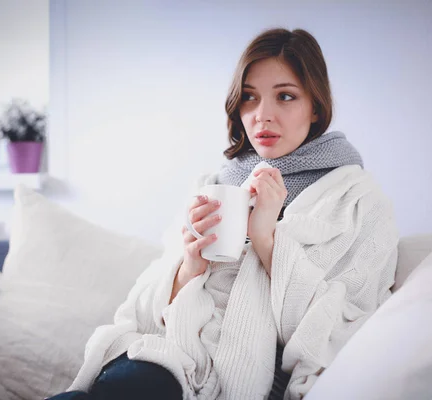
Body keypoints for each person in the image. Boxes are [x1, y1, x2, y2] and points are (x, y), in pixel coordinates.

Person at [48, 27, 399, 400]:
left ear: (315, 106)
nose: (262, 116)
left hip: (240, 380)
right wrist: (187, 267)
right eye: (249, 98)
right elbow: (143, 314)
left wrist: (267, 240)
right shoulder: (215, 182)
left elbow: (336, 334)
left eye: (285, 96)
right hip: (166, 360)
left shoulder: (357, 199)